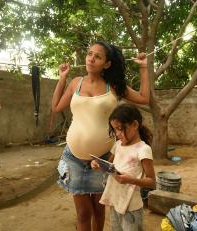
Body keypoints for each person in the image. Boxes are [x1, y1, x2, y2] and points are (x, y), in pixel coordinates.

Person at [51, 41, 150, 231]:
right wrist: (62, 78)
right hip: (74, 158)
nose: (91, 58)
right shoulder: (75, 83)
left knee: (98, 211)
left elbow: (144, 97)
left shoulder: (113, 86)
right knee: (83, 214)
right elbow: (55, 107)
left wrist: (144, 68)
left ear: (107, 64)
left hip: (103, 160)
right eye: (89, 54)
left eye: (98, 56)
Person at [91, 103, 155, 231]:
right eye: (114, 129)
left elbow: (152, 182)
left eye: (120, 128)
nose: (117, 134)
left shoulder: (143, 150)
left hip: (131, 206)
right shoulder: (118, 145)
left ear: (135, 125)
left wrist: (130, 180)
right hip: (115, 201)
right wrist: (98, 164)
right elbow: (110, 166)